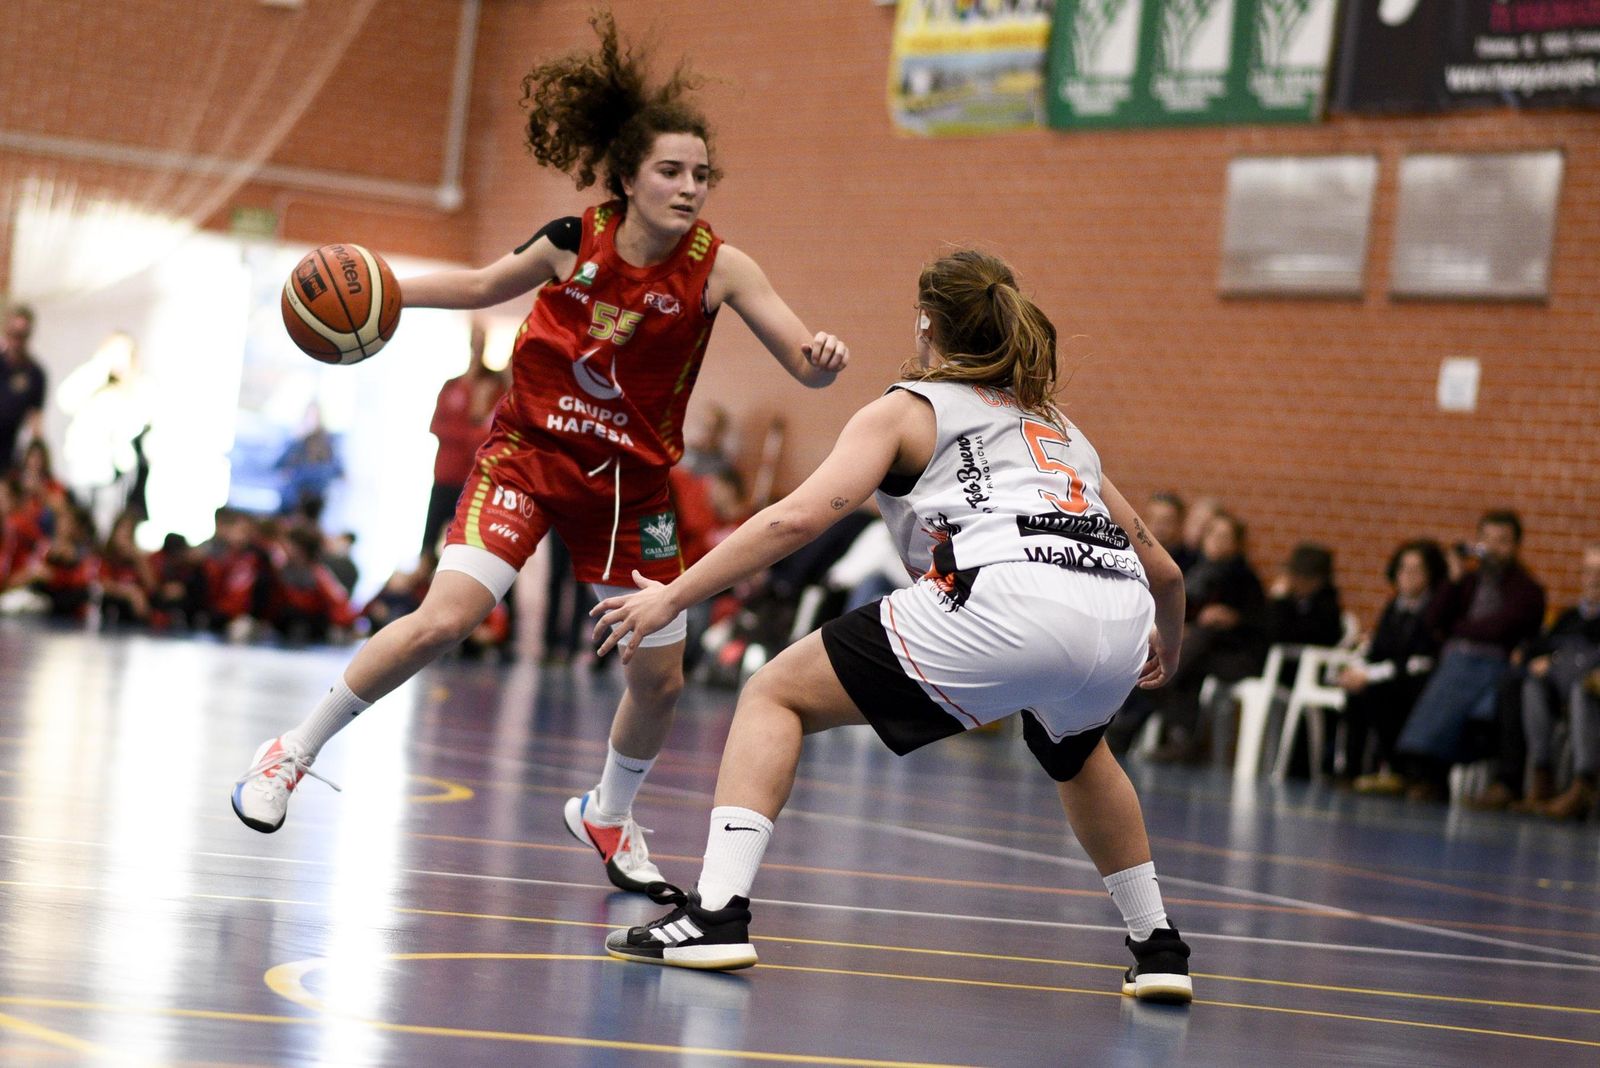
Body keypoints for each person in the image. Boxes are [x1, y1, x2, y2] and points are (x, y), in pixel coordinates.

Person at [230, 11, 850, 899]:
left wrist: (820, 362)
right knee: (444, 620)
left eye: (702, 175)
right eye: (671, 171)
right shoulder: (573, 242)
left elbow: (800, 357)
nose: (689, 188)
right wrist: (378, 292)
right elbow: (483, 285)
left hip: (630, 491)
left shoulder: (723, 268)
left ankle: (607, 810)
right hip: (527, 454)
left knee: (662, 680)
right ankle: (291, 752)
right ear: (629, 177)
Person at [590, 249, 1192, 1004]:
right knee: (1076, 750)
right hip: (1118, 609)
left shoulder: (908, 408)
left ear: (926, 324)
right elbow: (1165, 570)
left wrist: (673, 596)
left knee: (775, 694)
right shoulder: (1059, 427)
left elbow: (799, 517)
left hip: (1008, 594)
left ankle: (717, 914)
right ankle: (1158, 944)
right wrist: (1165, 641)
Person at [1394, 511, 1546, 802]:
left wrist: (1458, 631)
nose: (1493, 547)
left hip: (1495, 663)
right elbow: (1432, 620)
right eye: (1486, 539)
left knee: (1458, 680)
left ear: (1516, 546)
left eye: (1502, 541)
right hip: (1455, 660)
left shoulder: (1526, 588)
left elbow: (1502, 627)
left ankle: (1422, 761)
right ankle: (1424, 770)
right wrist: (1452, 579)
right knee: (1429, 676)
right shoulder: (1466, 581)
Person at [1147, 510, 1266, 764]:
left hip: (1237, 655)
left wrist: (1232, 618)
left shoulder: (1245, 578)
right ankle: (1181, 738)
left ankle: (1167, 671)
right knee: (1188, 658)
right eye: (1212, 534)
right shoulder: (1198, 571)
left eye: (1224, 536)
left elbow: (1263, 624)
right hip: (1202, 654)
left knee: (1193, 649)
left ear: (1237, 543)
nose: (1216, 541)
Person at [1341, 540, 1448, 792]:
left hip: (1416, 680)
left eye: (1416, 570)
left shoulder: (1435, 610)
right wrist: (1359, 668)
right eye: (1403, 569)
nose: (1408, 577)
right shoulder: (1393, 607)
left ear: (1431, 574)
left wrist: (1372, 675)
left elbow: (1421, 659)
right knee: (1355, 693)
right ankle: (1351, 769)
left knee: (1379, 694)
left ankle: (1400, 767)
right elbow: (1378, 648)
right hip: (1387, 674)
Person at [421, 324, 507, 555]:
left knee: (470, 550)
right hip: (445, 477)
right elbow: (437, 427)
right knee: (429, 547)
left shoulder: (494, 388)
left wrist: (476, 423)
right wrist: (470, 432)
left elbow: (494, 437)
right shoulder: (453, 386)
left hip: (475, 483)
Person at [0, 305, 46, 475]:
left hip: (9, 453)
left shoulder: (34, 374)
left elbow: (35, 421)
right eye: (13, 333)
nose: (16, 340)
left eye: (22, 335)